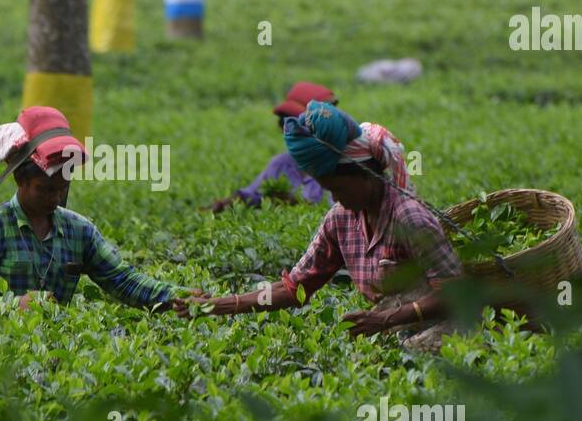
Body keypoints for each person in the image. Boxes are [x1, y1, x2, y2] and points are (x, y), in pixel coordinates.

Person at [177, 101, 463, 351]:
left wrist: (386, 319)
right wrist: (215, 305)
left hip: (444, 329)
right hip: (389, 326)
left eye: (339, 187)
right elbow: (293, 289)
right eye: (329, 190)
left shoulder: (410, 219)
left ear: (366, 175)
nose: (336, 198)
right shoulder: (340, 219)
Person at [0, 106, 184, 312]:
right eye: (45, 188)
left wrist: (176, 296)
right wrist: (13, 305)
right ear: (20, 180)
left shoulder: (79, 230)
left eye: (62, 188)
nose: (55, 197)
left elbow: (122, 279)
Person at [207, 81, 338, 212]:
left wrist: (294, 203)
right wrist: (222, 205)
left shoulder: (341, 164)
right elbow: (251, 195)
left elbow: (339, 210)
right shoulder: (283, 163)